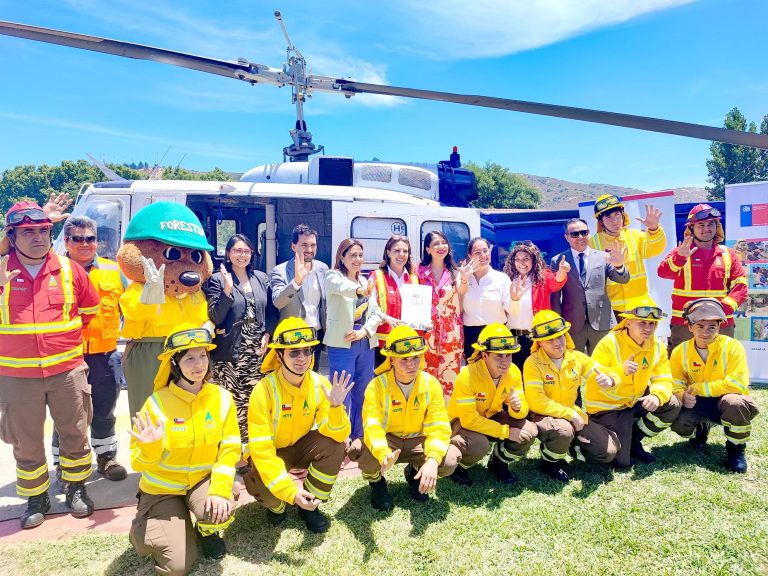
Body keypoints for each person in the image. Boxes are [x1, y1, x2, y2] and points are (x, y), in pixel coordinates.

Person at [0, 201, 100, 529]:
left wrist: (66, 350)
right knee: (26, 440)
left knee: (74, 432)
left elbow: (89, 312)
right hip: (16, 377)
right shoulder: (1, 271)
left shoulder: (71, 271)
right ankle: (36, 497)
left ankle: (76, 489)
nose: (38, 238)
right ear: (10, 236)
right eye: (28, 232)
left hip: (67, 372)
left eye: (43, 230)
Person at [129, 325, 240, 574]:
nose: (198, 364)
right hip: (162, 491)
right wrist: (150, 447)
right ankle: (149, 527)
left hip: (200, 483)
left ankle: (205, 530)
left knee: (225, 501)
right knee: (177, 567)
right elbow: (137, 463)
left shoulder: (222, 398)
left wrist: (220, 488)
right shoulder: (156, 403)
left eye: (202, 355)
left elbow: (231, 447)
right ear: (175, 364)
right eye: (189, 358)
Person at [244, 318, 352, 533]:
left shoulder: (320, 384)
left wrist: (336, 407)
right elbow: (262, 452)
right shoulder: (263, 390)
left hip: (301, 446)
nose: (302, 358)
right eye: (293, 352)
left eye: (307, 351)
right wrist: (290, 492)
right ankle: (278, 507)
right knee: (264, 488)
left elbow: (338, 435)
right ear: (279, 356)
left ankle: (310, 505)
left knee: (336, 447)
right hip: (272, 453)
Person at [52, 216, 128, 485]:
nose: (85, 244)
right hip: (66, 356)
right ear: (67, 242)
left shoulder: (114, 270)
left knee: (105, 409)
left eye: (90, 238)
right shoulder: (55, 271)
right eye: (78, 239)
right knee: (67, 412)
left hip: (105, 354)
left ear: (98, 241)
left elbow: (133, 306)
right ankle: (63, 462)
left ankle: (106, 457)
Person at [351, 326, 460, 511]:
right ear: (391, 360)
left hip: (418, 441)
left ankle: (416, 472)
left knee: (449, 460)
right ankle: (377, 484)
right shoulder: (376, 386)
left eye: (416, 357)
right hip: (388, 441)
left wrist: (432, 460)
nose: (411, 364)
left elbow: (439, 427)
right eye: (404, 359)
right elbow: (372, 426)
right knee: (360, 451)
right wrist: (382, 453)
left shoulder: (431, 384)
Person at [523, 310, 620, 481]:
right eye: (550, 339)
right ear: (539, 343)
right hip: (542, 415)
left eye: (560, 336)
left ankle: (569, 447)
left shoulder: (576, 358)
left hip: (570, 413)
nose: (557, 342)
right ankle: (549, 462)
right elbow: (536, 401)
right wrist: (570, 415)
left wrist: (610, 379)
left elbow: (601, 372)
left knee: (608, 452)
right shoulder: (532, 363)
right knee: (564, 430)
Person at [587, 296, 681, 469]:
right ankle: (588, 433)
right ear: (628, 322)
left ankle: (634, 440)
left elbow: (663, 377)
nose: (648, 328)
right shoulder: (610, 342)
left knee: (672, 404)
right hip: (609, 406)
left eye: (652, 323)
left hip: (633, 402)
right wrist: (617, 374)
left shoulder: (658, 346)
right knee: (622, 463)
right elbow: (597, 374)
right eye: (642, 323)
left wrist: (657, 395)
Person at [203, 234, 275, 455]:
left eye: (246, 251)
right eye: (237, 251)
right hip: (231, 350)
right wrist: (226, 289)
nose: (242, 255)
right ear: (228, 254)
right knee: (233, 403)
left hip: (257, 350)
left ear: (252, 254)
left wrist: (267, 333)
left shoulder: (261, 278)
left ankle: (254, 448)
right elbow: (215, 315)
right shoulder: (216, 279)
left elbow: (271, 311)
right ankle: (235, 451)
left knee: (255, 400)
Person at [669, 298, 759, 473]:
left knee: (736, 404)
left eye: (712, 327)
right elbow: (676, 383)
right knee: (678, 422)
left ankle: (736, 450)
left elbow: (737, 383)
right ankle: (701, 430)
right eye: (700, 326)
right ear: (690, 327)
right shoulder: (680, 351)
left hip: (726, 401)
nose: (706, 332)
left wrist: (698, 388)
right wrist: (681, 395)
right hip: (697, 403)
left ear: (719, 327)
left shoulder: (732, 347)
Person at [448, 324, 538, 485]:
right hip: (461, 423)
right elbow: (469, 420)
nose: (505, 362)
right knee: (479, 444)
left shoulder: (514, 372)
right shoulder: (467, 376)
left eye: (508, 355)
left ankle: (498, 461)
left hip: (491, 415)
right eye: (498, 356)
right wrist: (505, 431)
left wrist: (517, 408)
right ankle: (459, 466)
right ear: (484, 356)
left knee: (529, 431)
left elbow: (522, 411)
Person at [657, 204, 748, 350]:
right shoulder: (681, 251)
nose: (707, 228)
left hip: (720, 324)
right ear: (691, 228)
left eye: (711, 223)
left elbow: (741, 287)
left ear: (717, 226)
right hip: (685, 324)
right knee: (682, 368)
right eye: (701, 224)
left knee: (721, 366)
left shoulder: (728, 254)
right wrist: (680, 258)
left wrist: (720, 311)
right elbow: (663, 272)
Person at [324, 238, 383, 442]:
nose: (357, 259)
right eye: (352, 255)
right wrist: (360, 291)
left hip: (365, 341)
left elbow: (376, 312)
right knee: (342, 389)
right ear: (342, 257)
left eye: (360, 255)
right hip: (342, 342)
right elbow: (342, 286)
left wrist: (365, 331)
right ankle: (341, 434)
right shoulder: (333, 276)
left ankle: (359, 433)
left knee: (363, 389)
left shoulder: (367, 281)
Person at [550, 218, 630, 354]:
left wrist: (619, 265)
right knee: (575, 366)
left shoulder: (604, 257)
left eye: (584, 233)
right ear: (567, 237)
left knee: (604, 365)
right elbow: (554, 295)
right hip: (572, 323)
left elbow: (623, 279)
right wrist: (558, 324)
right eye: (575, 234)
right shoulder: (558, 260)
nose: (580, 237)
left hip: (602, 322)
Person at [417, 231, 474, 398]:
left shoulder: (455, 272)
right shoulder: (418, 272)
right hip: (426, 333)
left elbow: (462, 291)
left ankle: (448, 419)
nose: (441, 247)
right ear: (428, 249)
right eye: (435, 244)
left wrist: (464, 278)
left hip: (451, 335)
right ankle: (427, 416)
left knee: (449, 377)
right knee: (426, 377)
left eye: (443, 243)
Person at [589, 194, 666, 318]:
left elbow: (656, 249)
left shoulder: (636, 236)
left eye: (617, 215)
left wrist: (654, 229)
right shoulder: (592, 243)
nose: (614, 220)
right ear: (600, 221)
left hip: (639, 308)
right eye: (608, 217)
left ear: (623, 215)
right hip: (611, 311)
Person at [503, 241, 568, 371]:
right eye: (517, 259)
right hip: (512, 337)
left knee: (537, 373)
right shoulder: (507, 279)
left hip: (535, 337)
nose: (521, 263)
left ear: (533, 260)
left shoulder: (542, 277)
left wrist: (562, 270)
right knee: (515, 373)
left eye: (526, 259)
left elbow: (557, 282)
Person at [270, 224, 329, 369]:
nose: (309, 249)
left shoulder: (323, 268)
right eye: (304, 245)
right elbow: (278, 301)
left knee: (312, 378)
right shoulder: (280, 271)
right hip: (292, 336)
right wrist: (296, 281)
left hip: (316, 335)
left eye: (313, 245)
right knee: (291, 378)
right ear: (293, 246)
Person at [368, 235, 420, 368]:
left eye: (405, 251)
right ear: (388, 252)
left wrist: (424, 324)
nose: (401, 255)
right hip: (382, 346)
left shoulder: (414, 279)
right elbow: (370, 309)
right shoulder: (376, 277)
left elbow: (418, 312)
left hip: (407, 345)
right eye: (397, 251)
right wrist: (385, 317)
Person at [461, 237, 512, 360]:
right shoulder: (463, 277)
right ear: (469, 255)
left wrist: (515, 298)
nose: (483, 255)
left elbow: (511, 309)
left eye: (485, 251)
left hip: (497, 334)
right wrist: (464, 279)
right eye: (477, 252)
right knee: (474, 374)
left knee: (498, 374)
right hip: (472, 336)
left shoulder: (502, 278)